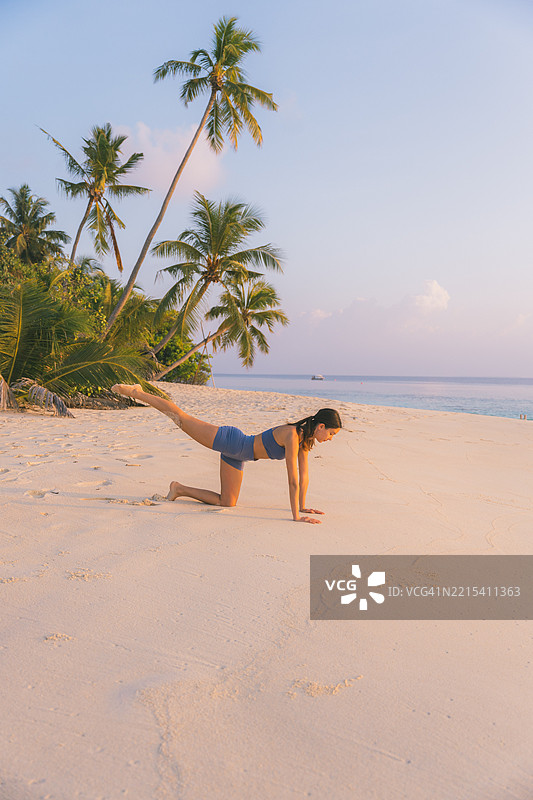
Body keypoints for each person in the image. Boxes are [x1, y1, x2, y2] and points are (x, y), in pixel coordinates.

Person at [111, 384, 342, 524]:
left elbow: (303, 477)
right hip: (232, 440)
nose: (330, 439)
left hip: (238, 455)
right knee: (180, 417)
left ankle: (178, 489)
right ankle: (135, 392)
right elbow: (292, 479)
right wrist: (296, 517)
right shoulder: (293, 435)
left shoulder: (304, 441)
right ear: (320, 426)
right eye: (331, 433)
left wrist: (302, 506)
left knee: (227, 502)